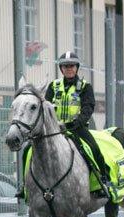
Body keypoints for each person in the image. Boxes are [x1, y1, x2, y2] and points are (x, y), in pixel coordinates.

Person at [44, 51, 111, 196]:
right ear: (61, 69)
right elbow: (46, 107)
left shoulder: (85, 87)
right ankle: (25, 187)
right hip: (54, 130)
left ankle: (102, 182)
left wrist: (78, 122)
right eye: (65, 66)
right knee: (29, 150)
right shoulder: (53, 86)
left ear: (77, 68)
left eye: (72, 66)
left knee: (94, 149)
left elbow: (88, 107)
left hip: (77, 129)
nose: (69, 68)